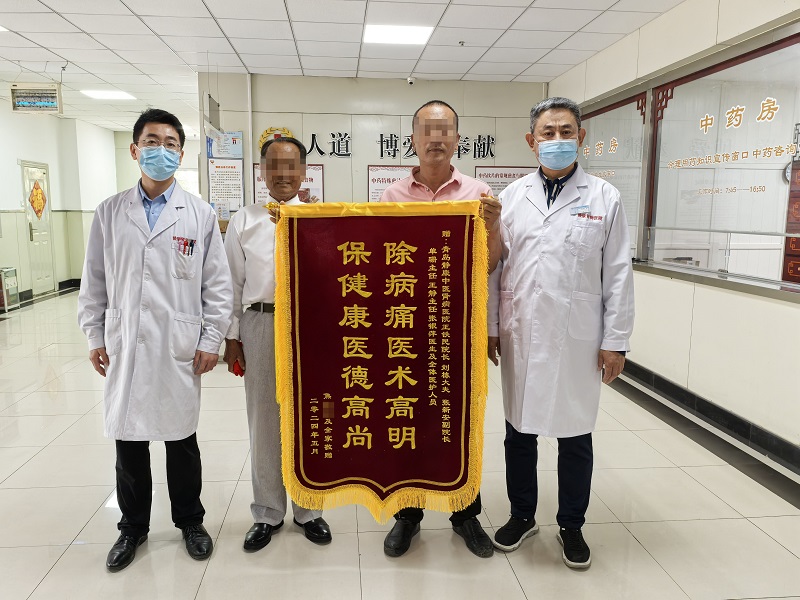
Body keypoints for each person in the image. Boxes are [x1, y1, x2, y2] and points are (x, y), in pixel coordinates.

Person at [77, 109, 233, 572]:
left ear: (181, 154)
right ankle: (132, 527)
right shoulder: (110, 212)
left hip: (177, 343)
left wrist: (211, 339)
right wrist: (94, 334)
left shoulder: (200, 214)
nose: (160, 150)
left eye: (170, 143)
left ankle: (190, 521)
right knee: (129, 442)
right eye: (151, 141)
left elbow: (217, 284)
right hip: (125, 340)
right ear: (134, 149)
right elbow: (94, 280)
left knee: (181, 440)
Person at [486, 97, 634, 569]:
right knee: (518, 432)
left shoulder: (605, 198)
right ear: (531, 142)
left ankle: (571, 524)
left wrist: (615, 341)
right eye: (547, 133)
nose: (556, 140)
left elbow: (618, 273)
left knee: (575, 435)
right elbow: (495, 269)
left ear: (580, 137)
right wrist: (492, 326)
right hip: (522, 332)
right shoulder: (511, 198)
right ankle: (522, 515)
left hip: (577, 338)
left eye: (565, 132)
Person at [379, 100, 499, 559]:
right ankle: (407, 515)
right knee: (408, 416)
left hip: (458, 329)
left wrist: (493, 225)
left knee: (460, 420)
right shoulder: (392, 197)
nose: (436, 139)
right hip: (405, 328)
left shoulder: (477, 193)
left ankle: (465, 513)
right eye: (427, 131)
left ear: (457, 139)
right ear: (412, 139)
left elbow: (490, 263)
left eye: (445, 130)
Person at [223, 137, 332, 551]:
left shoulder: (321, 217)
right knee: (264, 419)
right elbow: (231, 285)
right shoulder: (244, 220)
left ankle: (309, 510)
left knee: (311, 416)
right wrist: (232, 337)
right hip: (261, 322)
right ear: (263, 171)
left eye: (290, 166)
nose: (282, 175)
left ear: (303, 171)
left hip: (310, 326)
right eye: (274, 166)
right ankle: (267, 511)